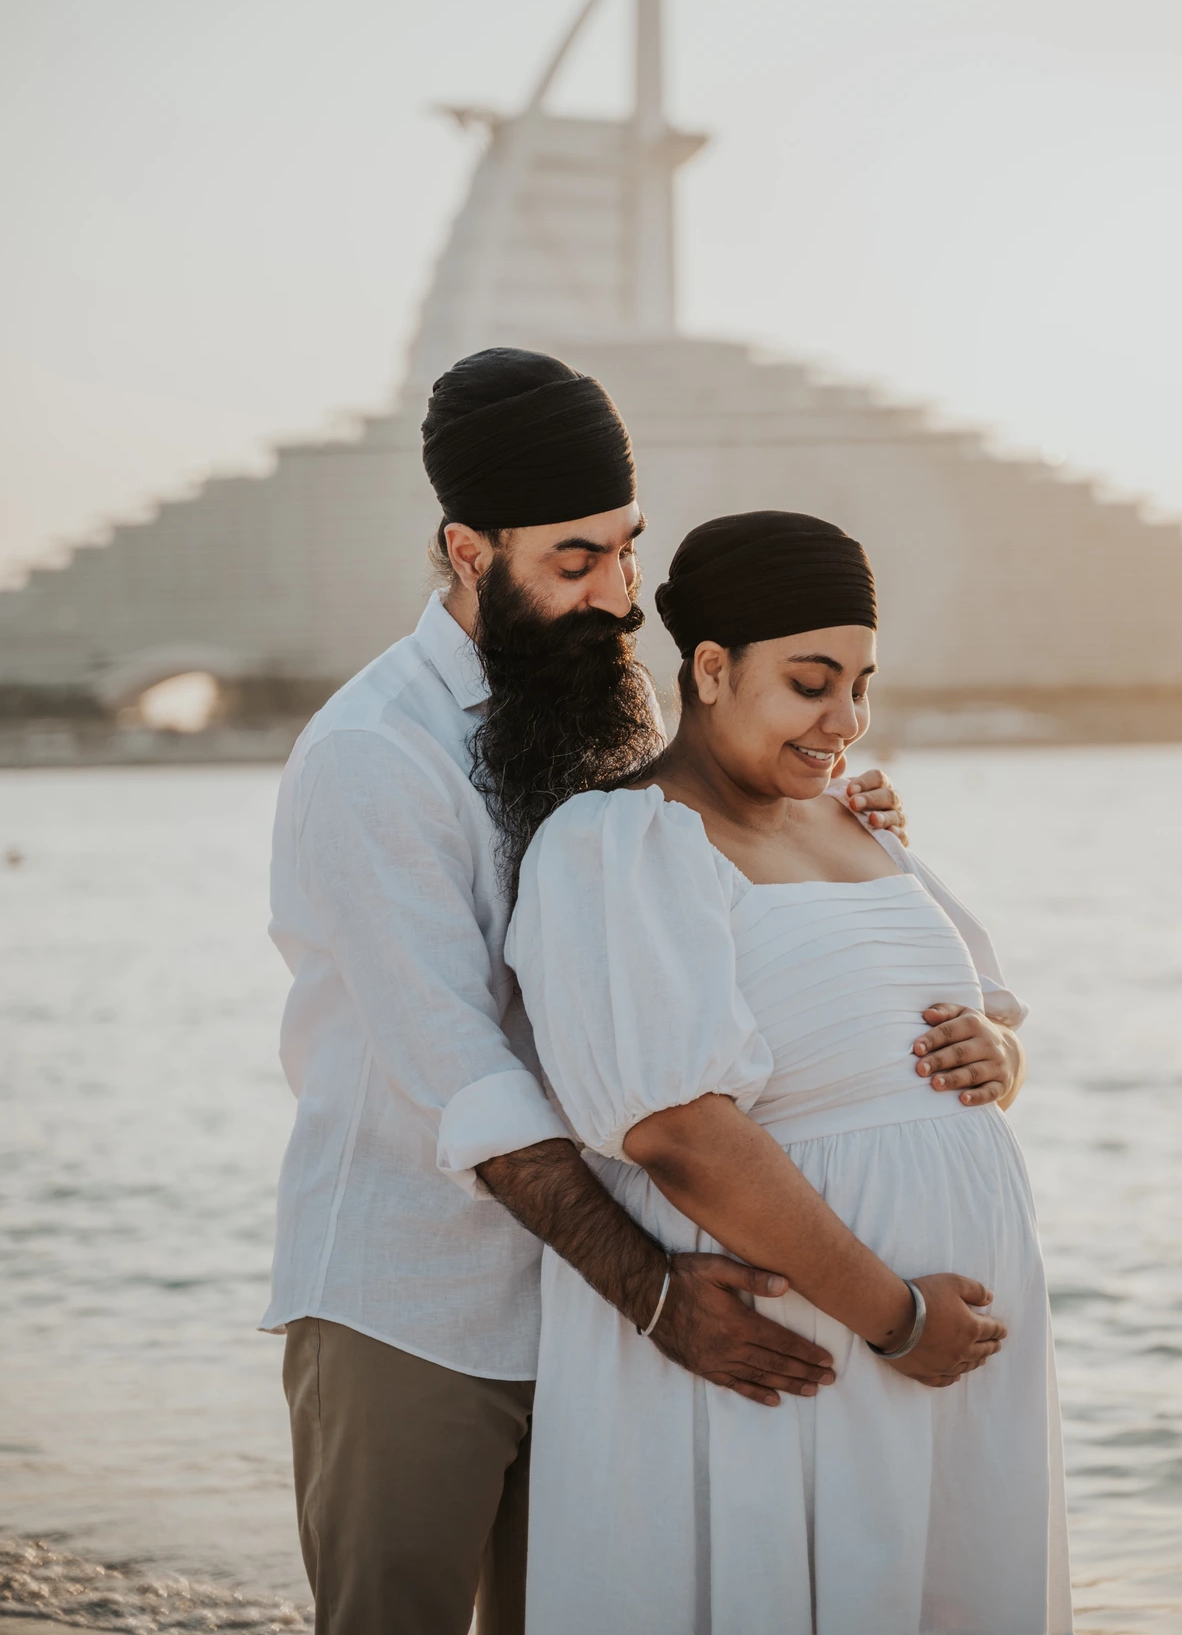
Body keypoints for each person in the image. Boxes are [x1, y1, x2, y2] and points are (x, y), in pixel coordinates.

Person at [262, 352, 1025, 1635]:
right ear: (466, 549)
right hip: (424, 1297)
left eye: (627, 551)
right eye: (574, 560)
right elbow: (465, 1077)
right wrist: (659, 1295)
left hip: (608, 1319)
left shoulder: (600, 711)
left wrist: (830, 823)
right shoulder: (369, 756)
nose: (618, 597)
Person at [507, 509, 1071, 1635]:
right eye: (810, 683)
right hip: (814, 1339)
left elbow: (968, 1028)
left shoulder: (853, 821)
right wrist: (896, 1318)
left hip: (938, 1354)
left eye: (861, 683)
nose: (845, 720)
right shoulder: (616, 844)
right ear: (710, 670)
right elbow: (677, 1131)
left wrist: (1000, 1055)